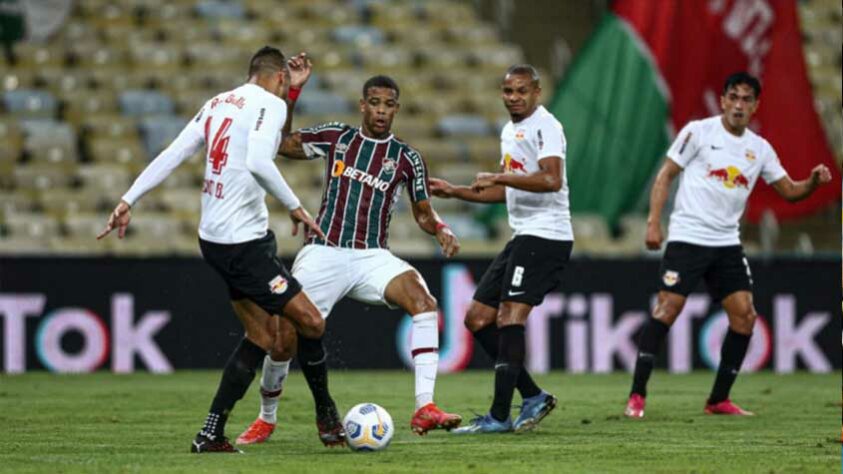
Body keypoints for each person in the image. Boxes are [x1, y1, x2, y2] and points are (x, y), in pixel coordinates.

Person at [97, 47, 343, 452]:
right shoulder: (269, 105)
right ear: (280, 77)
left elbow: (173, 153)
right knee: (311, 323)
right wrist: (296, 206)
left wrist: (128, 199)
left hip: (215, 238)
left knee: (262, 335)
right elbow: (262, 161)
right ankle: (327, 416)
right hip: (241, 244)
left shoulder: (217, 103)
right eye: (287, 85)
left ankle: (210, 432)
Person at [234, 74, 463, 445]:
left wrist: (440, 228)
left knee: (424, 302)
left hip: (373, 255)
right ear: (362, 105)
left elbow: (423, 212)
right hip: (324, 250)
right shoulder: (338, 138)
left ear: (396, 109)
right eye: (375, 103)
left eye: (389, 105)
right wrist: (291, 94)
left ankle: (425, 407)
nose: (381, 111)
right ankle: (266, 418)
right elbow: (284, 144)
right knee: (283, 339)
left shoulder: (407, 158)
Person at [624, 72, 833, 418]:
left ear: (755, 106)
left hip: (726, 243)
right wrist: (653, 222)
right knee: (668, 309)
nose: (738, 105)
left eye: (746, 100)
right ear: (722, 100)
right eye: (733, 97)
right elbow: (665, 175)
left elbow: (791, 192)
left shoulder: (759, 149)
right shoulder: (698, 132)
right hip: (688, 238)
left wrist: (811, 181)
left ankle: (718, 400)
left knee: (745, 317)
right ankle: (637, 396)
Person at [428, 64, 572, 434]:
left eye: (522, 91)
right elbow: (507, 190)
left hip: (547, 235)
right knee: (477, 318)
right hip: (522, 234)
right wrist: (455, 190)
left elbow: (552, 180)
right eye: (508, 91)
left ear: (536, 93)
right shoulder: (510, 131)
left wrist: (500, 175)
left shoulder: (546, 126)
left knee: (510, 317)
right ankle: (534, 396)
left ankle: (498, 415)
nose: (514, 98)